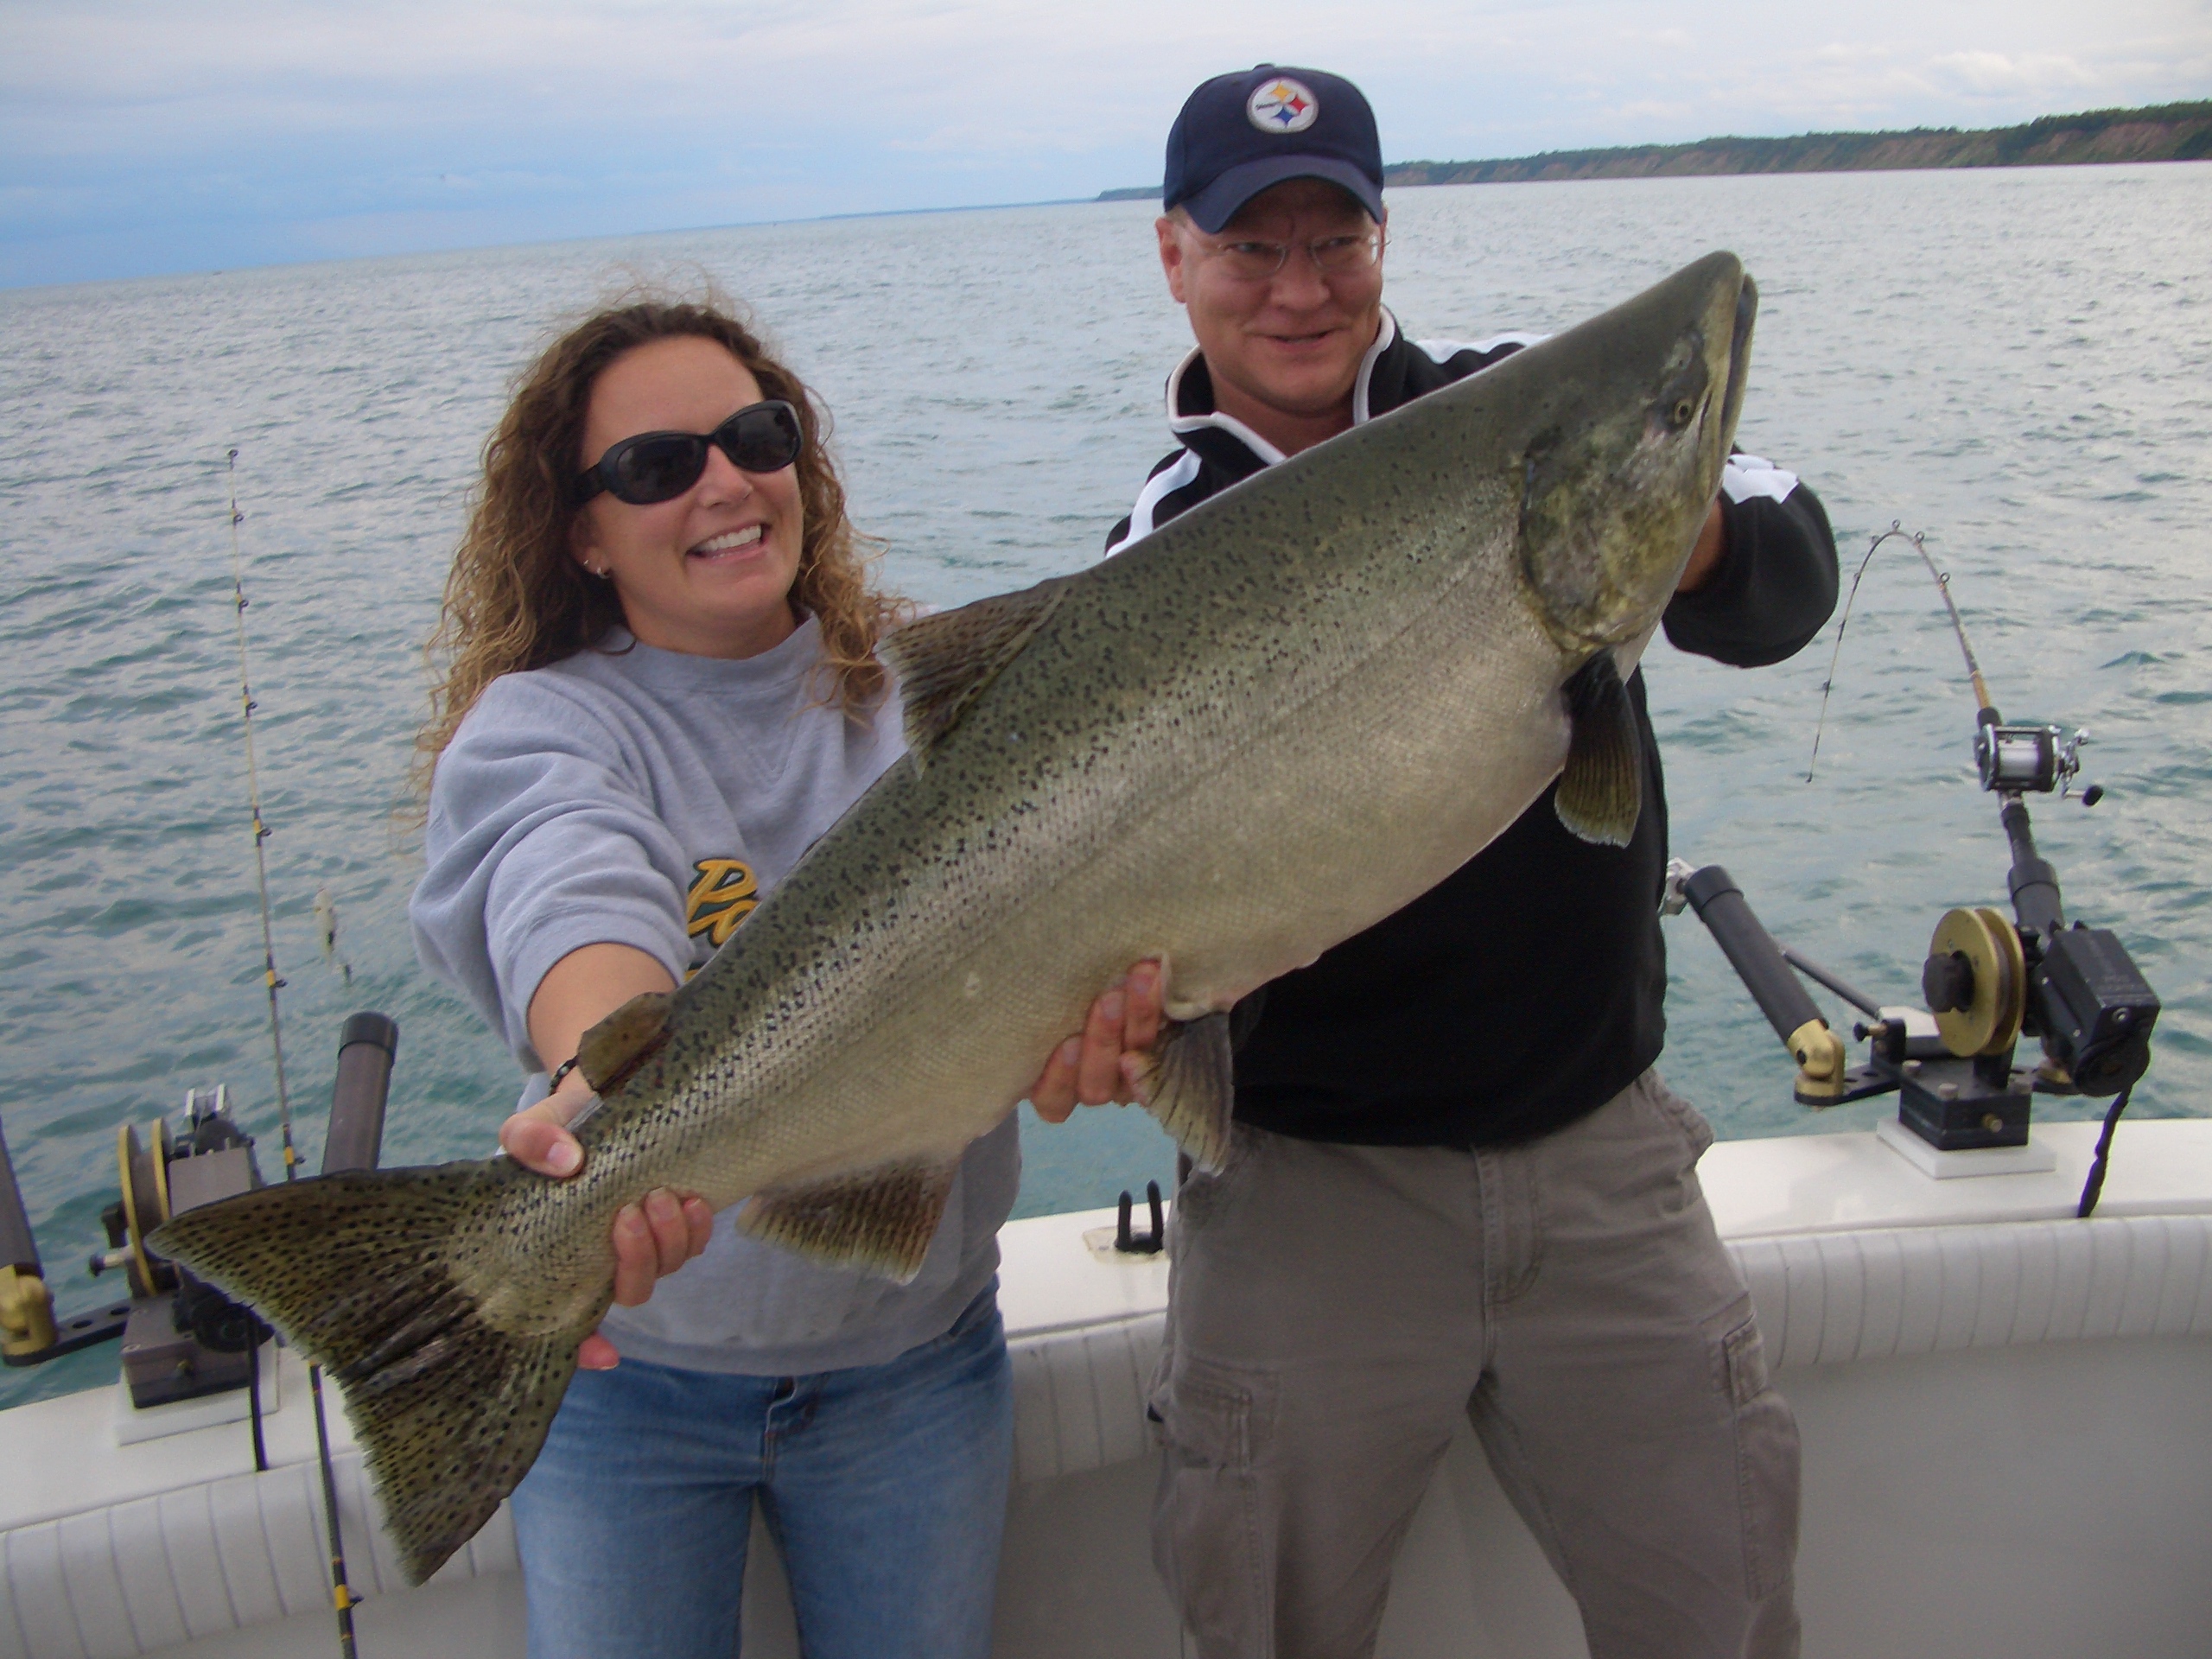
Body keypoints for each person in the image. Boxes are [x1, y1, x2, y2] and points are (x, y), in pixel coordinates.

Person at [1048, 66, 1840, 1659]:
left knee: (1728, 1618)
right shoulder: (1156, 552)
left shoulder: (1528, 402)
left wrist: (1666, 524)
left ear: (1383, 239)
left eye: (1334, 238)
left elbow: (1789, 566)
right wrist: (1107, 1021)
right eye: (1249, 246)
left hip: (1604, 1166)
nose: (1298, 287)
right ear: (1170, 254)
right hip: (1311, 1209)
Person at [409, 295, 1027, 1659]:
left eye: (757, 435)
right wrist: (599, 1074)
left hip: (913, 1369)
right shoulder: (547, 726)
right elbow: (567, 879)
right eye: (655, 466)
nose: (724, 482)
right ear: (580, 530)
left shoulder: (937, 704)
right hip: (625, 1385)